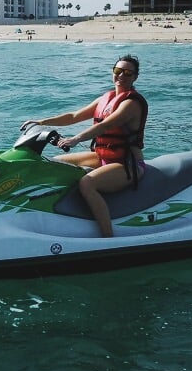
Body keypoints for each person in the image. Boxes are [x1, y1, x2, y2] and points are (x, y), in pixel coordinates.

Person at [23, 55, 148, 238]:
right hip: (103, 156)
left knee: (87, 183)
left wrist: (75, 139)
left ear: (135, 77)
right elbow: (74, 116)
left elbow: (104, 126)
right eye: (118, 71)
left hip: (128, 164)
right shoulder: (106, 98)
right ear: (113, 72)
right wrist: (40, 122)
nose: (122, 75)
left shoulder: (131, 104)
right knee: (52, 164)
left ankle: (107, 236)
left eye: (128, 73)